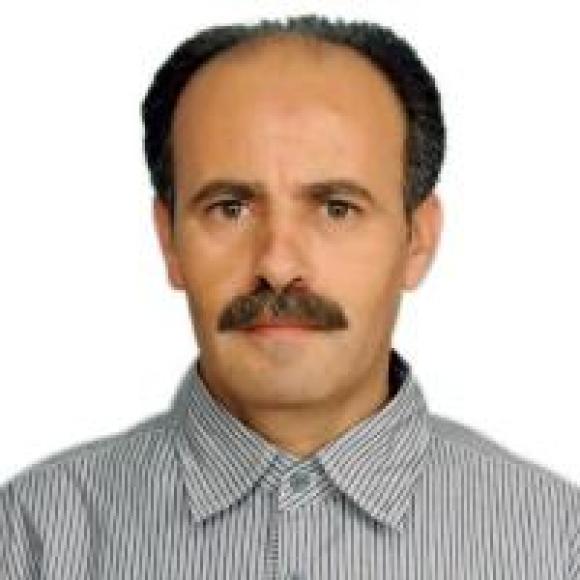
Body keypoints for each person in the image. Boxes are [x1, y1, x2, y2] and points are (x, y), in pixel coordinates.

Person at [1, 14, 579, 579]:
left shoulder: (558, 543)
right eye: (230, 208)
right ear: (169, 239)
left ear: (418, 240)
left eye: (337, 209)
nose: (278, 267)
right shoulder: (31, 537)